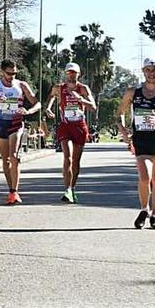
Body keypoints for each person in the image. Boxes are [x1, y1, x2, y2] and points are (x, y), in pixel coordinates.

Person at [117, 59, 155, 230]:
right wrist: (124, 132)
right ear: (143, 71)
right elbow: (120, 113)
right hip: (141, 139)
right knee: (145, 177)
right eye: (148, 70)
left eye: (154, 70)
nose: (151, 73)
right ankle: (144, 209)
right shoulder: (133, 92)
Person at [0, 59, 40, 205]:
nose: (12, 76)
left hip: (16, 123)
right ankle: (11, 190)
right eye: (9, 73)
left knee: (14, 156)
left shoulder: (21, 85)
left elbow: (37, 103)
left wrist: (28, 111)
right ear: (2, 72)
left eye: (15, 73)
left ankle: (15, 192)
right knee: (6, 160)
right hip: (1, 123)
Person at [44, 62, 96, 204]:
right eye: (69, 72)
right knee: (68, 156)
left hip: (79, 126)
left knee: (76, 161)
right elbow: (51, 98)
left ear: (79, 74)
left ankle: (72, 188)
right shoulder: (59, 88)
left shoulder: (83, 88)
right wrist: (48, 108)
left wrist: (80, 99)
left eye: (74, 72)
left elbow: (93, 106)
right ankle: (67, 189)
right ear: (66, 74)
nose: (71, 75)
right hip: (65, 125)